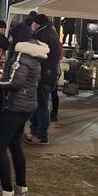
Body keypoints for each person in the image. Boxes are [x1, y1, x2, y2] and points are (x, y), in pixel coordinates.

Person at [0, 23, 48, 196]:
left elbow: (16, 82)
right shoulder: (35, 55)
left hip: (16, 106)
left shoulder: (21, 56)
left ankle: (7, 195)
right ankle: (22, 190)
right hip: (28, 105)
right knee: (15, 146)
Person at [26, 14, 62, 143]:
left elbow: (36, 55)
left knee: (41, 104)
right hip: (48, 73)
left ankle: (41, 135)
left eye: (33, 24)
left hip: (43, 73)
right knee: (39, 103)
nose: (31, 26)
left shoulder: (42, 35)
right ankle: (35, 131)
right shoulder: (51, 32)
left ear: (37, 24)